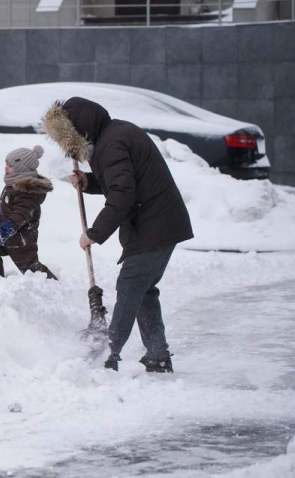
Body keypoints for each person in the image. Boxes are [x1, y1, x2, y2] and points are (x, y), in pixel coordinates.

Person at [42, 97, 193, 373]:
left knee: (129, 287)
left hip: (154, 224)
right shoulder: (115, 134)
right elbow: (122, 181)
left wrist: (94, 233)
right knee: (143, 290)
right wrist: (89, 182)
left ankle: (107, 356)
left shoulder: (111, 144)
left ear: (80, 132)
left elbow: (123, 195)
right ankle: (158, 355)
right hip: (159, 222)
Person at [0, 145, 58, 282]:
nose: (6, 167)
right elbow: (12, 208)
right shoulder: (13, 183)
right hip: (7, 230)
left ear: (21, 169)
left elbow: (22, 212)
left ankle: (52, 284)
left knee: (30, 267)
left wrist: (9, 226)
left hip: (22, 237)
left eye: (10, 165)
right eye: (6, 163)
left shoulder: (27, 190)